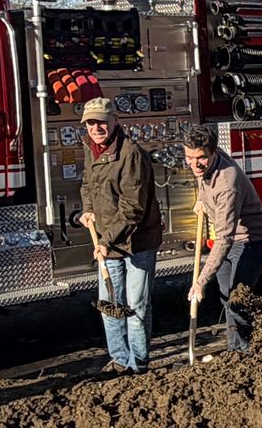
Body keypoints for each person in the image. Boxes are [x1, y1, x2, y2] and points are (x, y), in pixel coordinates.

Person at [78, 97, 163, 374]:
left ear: (114, 121)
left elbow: (132, 207)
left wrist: (105, 241)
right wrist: (88, 209)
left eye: (102, 121)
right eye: (91, 122)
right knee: (110, 305)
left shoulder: (131, 154)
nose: (96, 128)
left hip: (137, 241)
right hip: (108, 241)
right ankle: (119, 360)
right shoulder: (91, 148)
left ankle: (138, 364)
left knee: (136, 306)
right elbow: (88, 183)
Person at [183, 124, 262, 353]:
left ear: (213, 153)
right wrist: (201, 199)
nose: (194, 164)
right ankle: (234, 350)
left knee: (237, 299)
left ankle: (245, 352)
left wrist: (200, 281)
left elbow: (224, 239)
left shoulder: (227, 184)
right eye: (189, 157)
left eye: (200, 158)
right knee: (226, 298)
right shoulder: (207, 162)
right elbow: (201, 175)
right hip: (229, 240)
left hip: (249, 240)